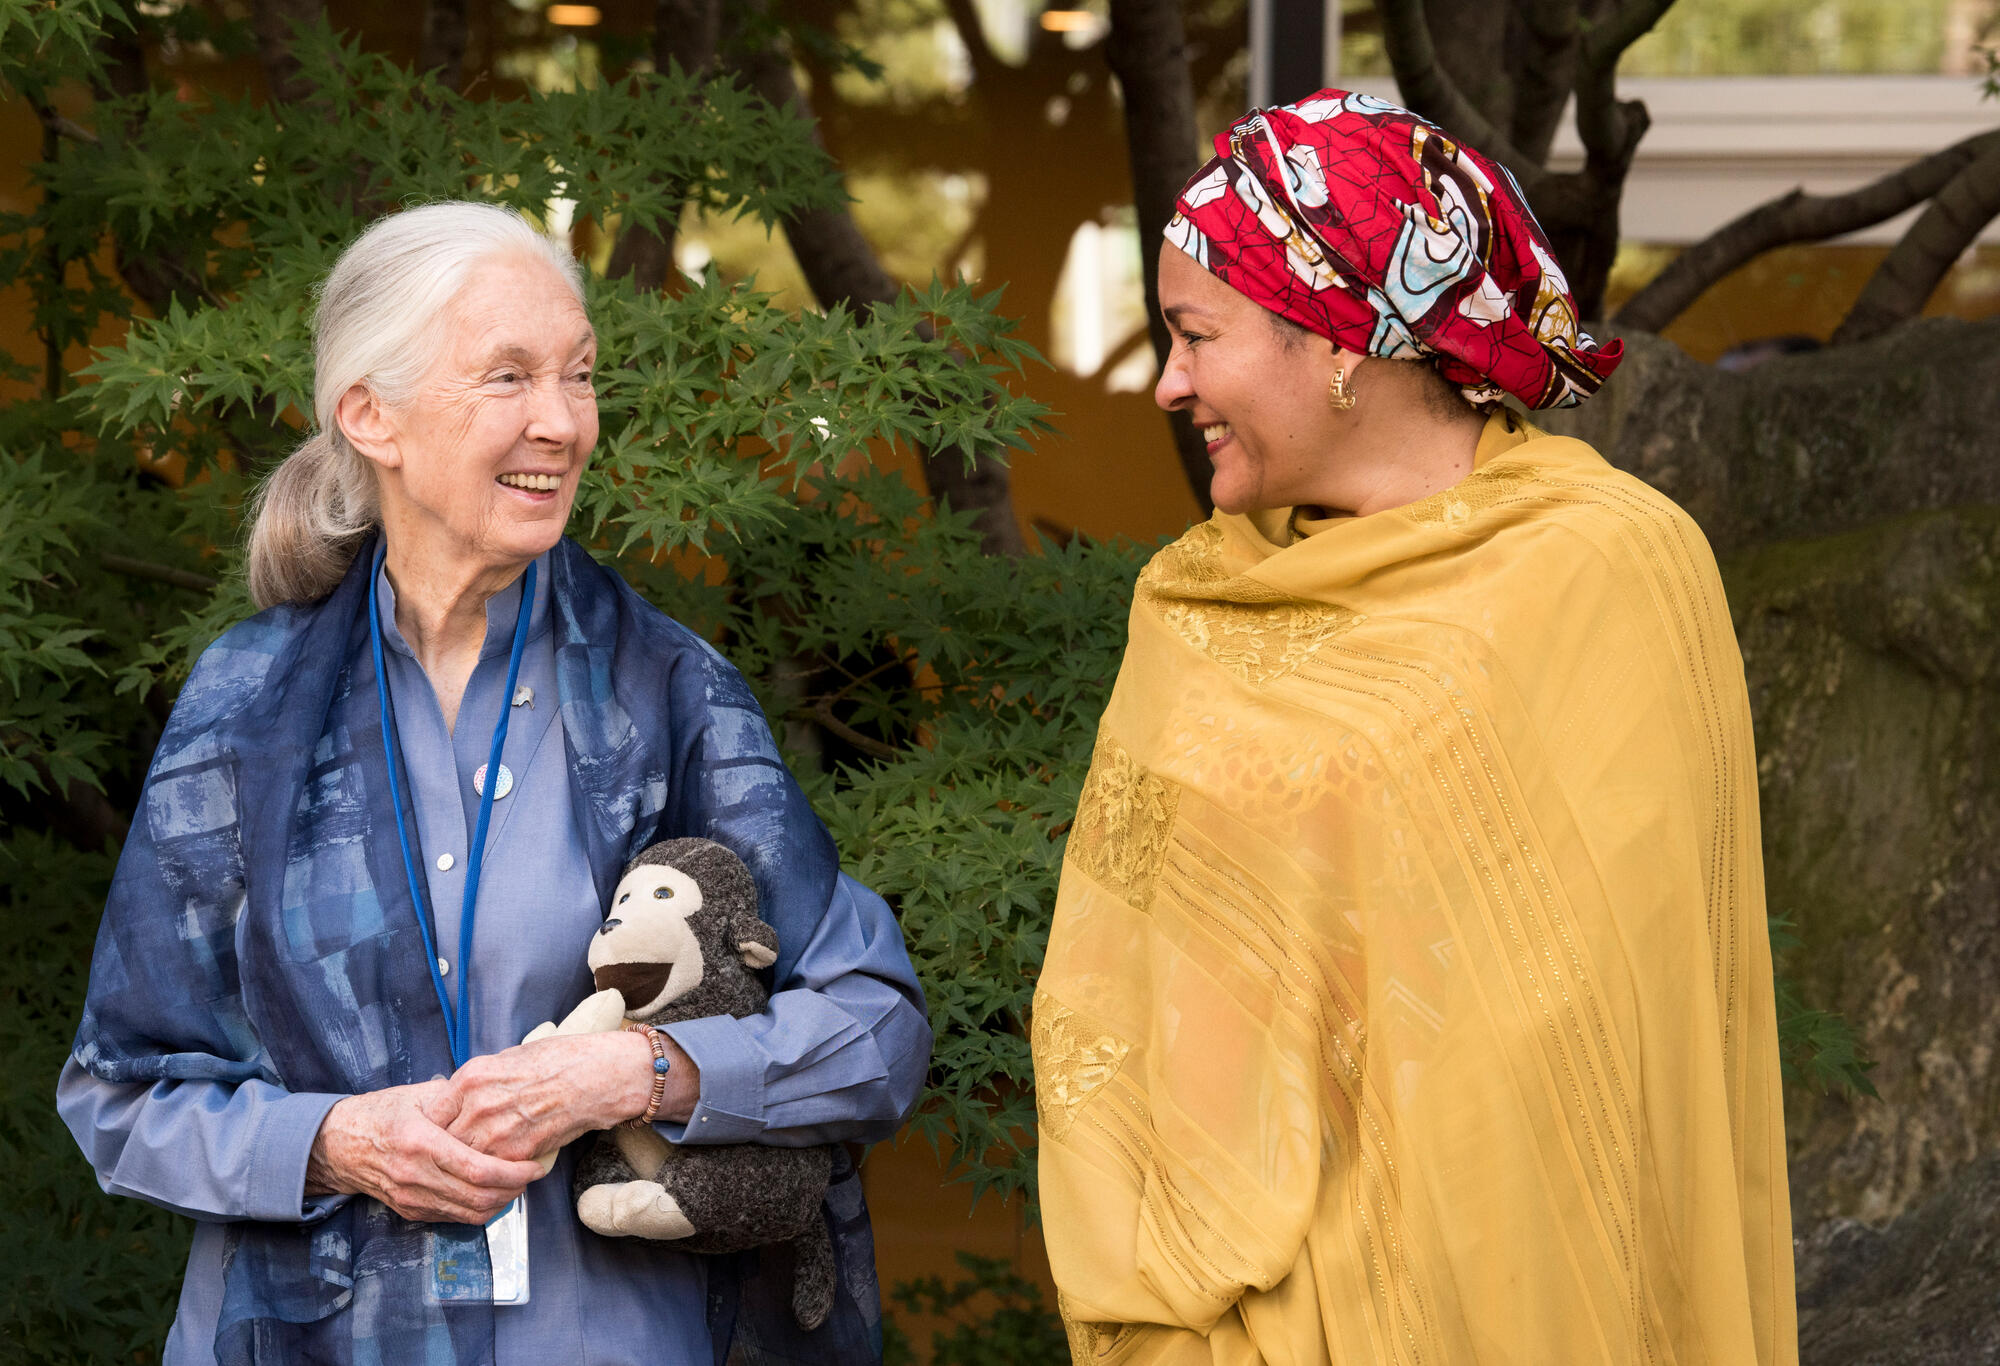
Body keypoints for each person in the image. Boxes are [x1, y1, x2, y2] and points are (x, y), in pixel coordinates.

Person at [58, 201, 932, 1366]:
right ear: (372, 415)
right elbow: (122, 1096)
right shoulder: (246, 707)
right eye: (508, 377)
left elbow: (876, 1028)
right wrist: (337, 1141)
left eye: (578, 374)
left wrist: (638, 1071)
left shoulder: (665, 690)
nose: (562, 422)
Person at [1031, 91, 1795, 1365]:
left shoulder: (1615, 571)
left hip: (1549, 1296)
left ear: (1335, 337)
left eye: (1194, 334)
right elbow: (1116, 1008)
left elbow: (1633, 1019)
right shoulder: (1195, 607)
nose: (1166, 383)